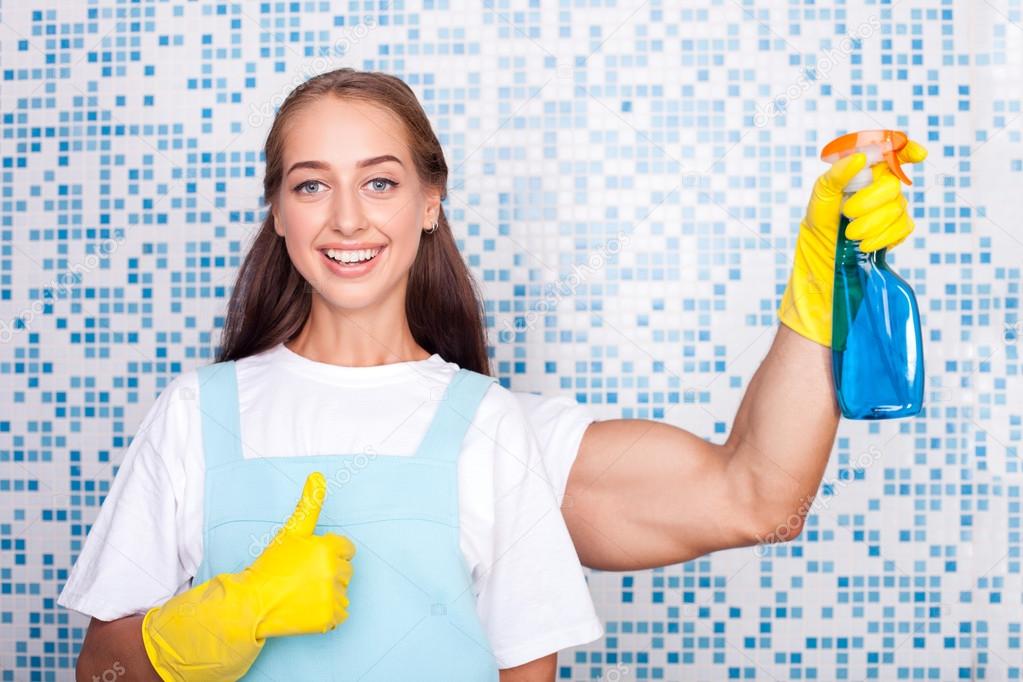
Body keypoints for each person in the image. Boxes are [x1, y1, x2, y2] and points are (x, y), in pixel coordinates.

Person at [59, 68, 605, 681]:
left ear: (430, 203)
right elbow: (100, 672)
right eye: (312, 185)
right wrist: (234, 614)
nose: (347, 220)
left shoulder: (486, 420)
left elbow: (528, 670)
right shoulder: (195, 412)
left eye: (379, 182)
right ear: (279, 213)